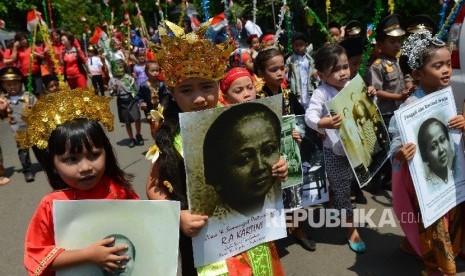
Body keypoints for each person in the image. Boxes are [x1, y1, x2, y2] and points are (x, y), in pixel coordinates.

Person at [145, 24, 286, 275]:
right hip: (208, 242)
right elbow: (153, 186)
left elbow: (268, 162)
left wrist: (279, 168)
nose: (199, 98)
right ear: (173, 93)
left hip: (254, 231)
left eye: (206, 87)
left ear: (218, 86)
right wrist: (179, 216)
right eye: (187, 90)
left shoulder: (238, 121)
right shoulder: (171, 137)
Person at [18, 89, 140, 276]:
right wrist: (88, 255)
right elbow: (36, 258)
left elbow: (145, 222)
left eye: (94, 155)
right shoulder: (51, 206)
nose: (85, 167)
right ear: (52, 165)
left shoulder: (117, 188)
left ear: (106, 152)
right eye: (71, 159)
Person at [390, 29, 465, 275]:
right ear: (418, 74)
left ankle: (415, 247)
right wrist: (400, 152)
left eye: (447, 64)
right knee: (431, 223)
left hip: (448, 171)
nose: (446, 70)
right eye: (437, 66)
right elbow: (396, 139)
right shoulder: (410, 106)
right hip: (423, 181)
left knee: (451, 214)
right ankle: (434, 266)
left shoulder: (447, 95)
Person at [306, 44, 371, 254]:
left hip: (357, 147)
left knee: (353, 183)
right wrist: (322, 123)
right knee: (343, 190)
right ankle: (351, 230)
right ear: (322, 75)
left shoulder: (353, 84)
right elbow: (310, 116)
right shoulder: (322, 93)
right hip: (335, 152)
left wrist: (370, 92)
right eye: (335, 69)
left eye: (345, 66)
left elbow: (367, 107)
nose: (343, 72)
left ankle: (335, 197)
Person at [203, 102, 281, 216]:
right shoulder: (213, 229)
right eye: (245, 159)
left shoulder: (278, 204)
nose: (259, 167)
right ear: (216, 175)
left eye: (268, 150)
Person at [365, 14, 412, 191]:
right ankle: (375, 181)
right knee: (383, 147)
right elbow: (377, 91)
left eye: (399, 41)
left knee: (397, 144)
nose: (397, 45)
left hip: (399, 111)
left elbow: (406, 77)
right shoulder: (377, 65)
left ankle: (391, 178)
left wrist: (409, 87)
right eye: (392, 42)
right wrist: (399, 97)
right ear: (380, 44)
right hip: (385, 114)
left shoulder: (399, 61)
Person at [0, 66, 36, 182]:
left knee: (39, 147)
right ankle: (27, 170)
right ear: (3, 86)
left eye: (15, 83)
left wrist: (34, 107)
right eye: (8, 84)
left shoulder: (28, 96)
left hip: (33, 127)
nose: (12, 86)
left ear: (20, 83)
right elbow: (2, 116)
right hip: (19, 131)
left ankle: (47, 164)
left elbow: (40, 109)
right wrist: (2, 109)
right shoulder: (4, 100)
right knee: (23, 151)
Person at [109, 59, 143, 148]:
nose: (119, 70)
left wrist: (136, 96)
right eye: (116, 68)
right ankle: (131, 138)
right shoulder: (113, 80)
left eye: (120, 67)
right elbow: (111, 92)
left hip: (131, 100)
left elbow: (136, 89)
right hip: (121, 102)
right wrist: (114, 91)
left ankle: (138, 135)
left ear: (124, 68)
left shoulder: (129, 78)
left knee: (137, 118)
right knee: (127, 121)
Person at [417, 118, 455, 193]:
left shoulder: (457, 175)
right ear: (425, 157)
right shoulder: (428, 188)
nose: (441, 150)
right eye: (433, 147)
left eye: (442, 140)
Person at [285, 32, 318, 109]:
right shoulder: (290, 60)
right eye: (296, 45)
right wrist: (289, 70)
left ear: (306, 45)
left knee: (310, 107)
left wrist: (315, 74)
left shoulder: (310, 60)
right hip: (296, 89)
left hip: (308, 88)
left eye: (301, 45)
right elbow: (287, 78)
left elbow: (316, 74)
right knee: (299, 108)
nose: (299, 48)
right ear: (292, 46)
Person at [137, 60, 167, 139]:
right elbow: (139, 97)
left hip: (162, 110)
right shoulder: (143, 86)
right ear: (146, 72)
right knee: (154, 127)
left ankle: (165, 141)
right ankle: (157, 142)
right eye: (152, 71)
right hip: (150, 112)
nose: (155, 73)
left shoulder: (162, 84)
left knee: (164, 126)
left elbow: (166, 96)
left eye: (157, 70)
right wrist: (141, 103)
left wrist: (165, 105)